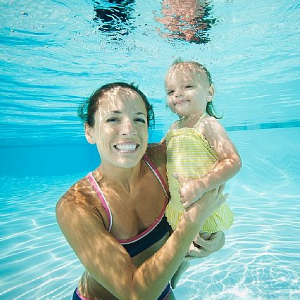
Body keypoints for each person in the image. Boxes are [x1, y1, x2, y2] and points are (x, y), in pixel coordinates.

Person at [56, 82, 227, 300]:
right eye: (113, 119)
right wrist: (192, 222)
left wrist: (214, 236)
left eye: (139, 119)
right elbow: (135, 294)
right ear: (90, 132)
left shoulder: (164, 159)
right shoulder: (76, 205)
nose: (128, 130)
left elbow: (212, 191)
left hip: (160, 288)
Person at [162, 60, 242, 241]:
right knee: (171, 258)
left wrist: (200, 185)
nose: (178, 94)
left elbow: (233, 161)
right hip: (178, 208)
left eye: (188, 86)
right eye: (170, 91)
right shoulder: (174, 127)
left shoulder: (208, 124)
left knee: (194, 248)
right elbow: (160, 154)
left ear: (209, 93)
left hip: (202, 210)